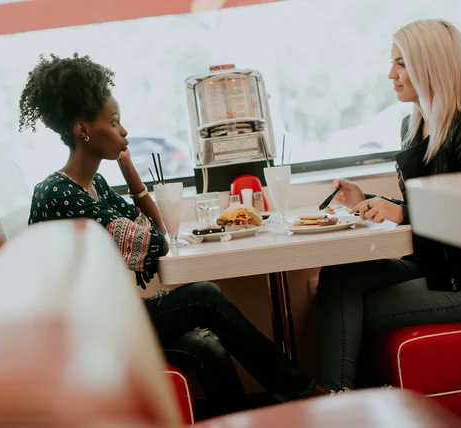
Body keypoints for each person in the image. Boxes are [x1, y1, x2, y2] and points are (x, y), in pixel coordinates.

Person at [19, 53, 324, 408]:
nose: (124, 131)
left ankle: (249, 414)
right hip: (84, 329)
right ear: (82, 130)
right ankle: (304, 392)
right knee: (204, 296)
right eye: (115, 121)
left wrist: (130, 172)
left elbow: (154, 230)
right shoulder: (57, 193)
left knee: (205, 347)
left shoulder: (95, 184)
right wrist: (148, 230)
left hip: (107, 314)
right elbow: (155, 243)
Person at [316, 20, 461, 392]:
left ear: (431, 66)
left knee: (355, 313)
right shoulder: (413, 128)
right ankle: (346, 402)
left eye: (401, 63)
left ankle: (341, 402)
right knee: (338, 275)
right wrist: (369, 202)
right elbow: (428, 206)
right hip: (439, 265)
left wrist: (404, 213)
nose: (390, 74)